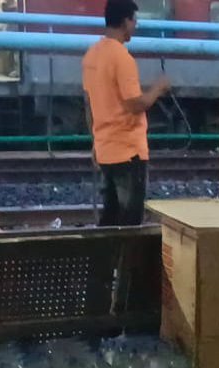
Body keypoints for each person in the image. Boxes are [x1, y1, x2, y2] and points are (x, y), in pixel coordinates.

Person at [82, 0, 171, 226]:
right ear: (125, 22)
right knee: (130, 221)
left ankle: (105, 260)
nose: (135, 26)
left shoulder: (91, 56)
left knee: (110, 218)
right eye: (134, 21)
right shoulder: (122, 58)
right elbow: (134, 104)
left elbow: (89, 103)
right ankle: (126, 262)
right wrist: (158, 89)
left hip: (105, 150)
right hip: (128, 152)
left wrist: (95, 142)